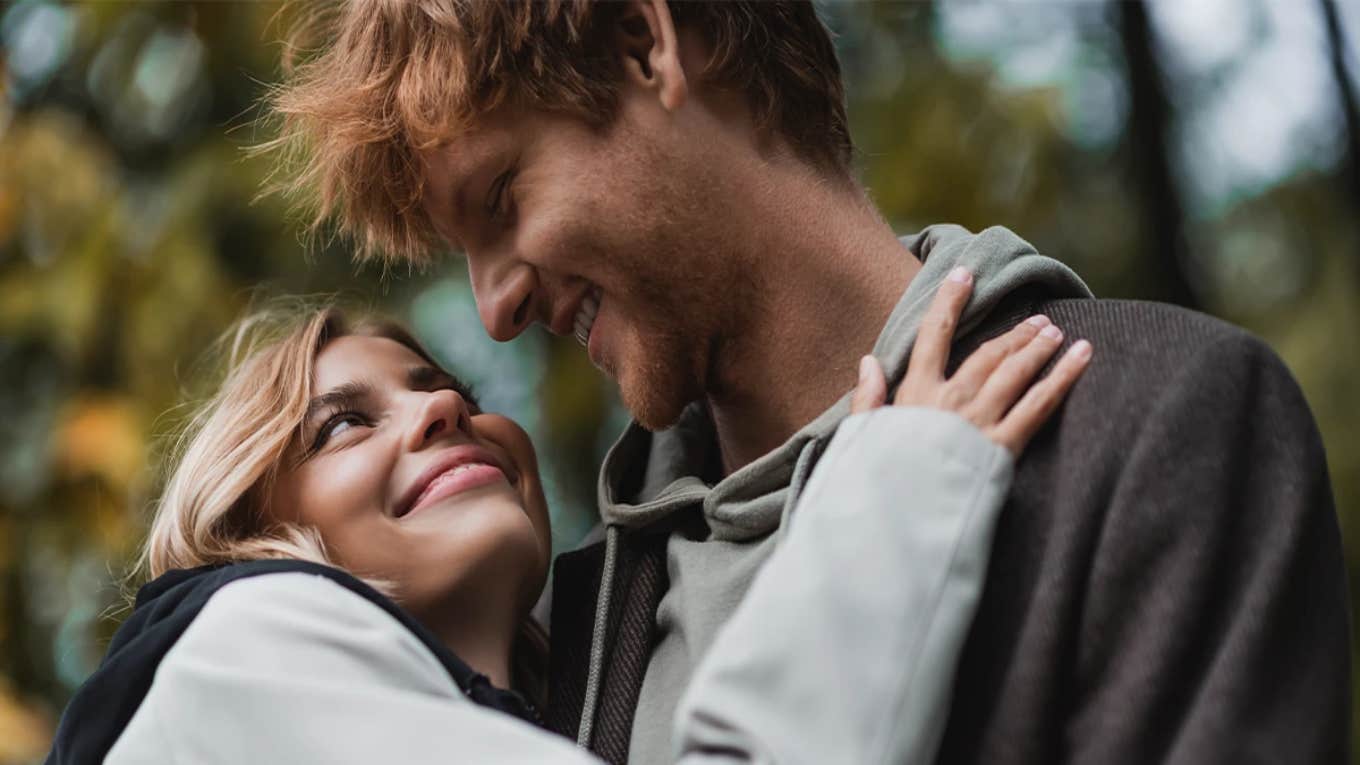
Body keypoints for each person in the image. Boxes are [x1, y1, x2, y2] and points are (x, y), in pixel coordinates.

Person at [265, 1, 1350, 762]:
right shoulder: (562, 642)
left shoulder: (1156, 420)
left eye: (500, 195)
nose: (493, 306)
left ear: (647, 43)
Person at [46, 279, 1088, 763]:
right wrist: (897, 488)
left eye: (441, 385)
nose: (443, 407)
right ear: (252, 530)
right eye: (341, 427)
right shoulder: (242, 645)